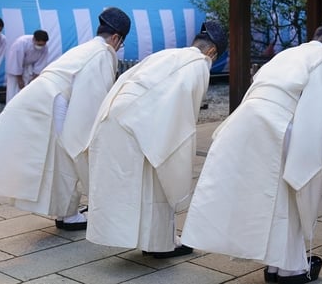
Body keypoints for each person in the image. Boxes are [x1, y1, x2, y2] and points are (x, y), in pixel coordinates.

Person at [181, 13, 322, 284]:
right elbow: (321, 114)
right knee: (291, 192)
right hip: (277, 124)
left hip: (245, 120)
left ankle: (277, 265)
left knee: (266, 197)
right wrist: (311, 157)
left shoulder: (288, 55)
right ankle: (290, 269)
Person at [0, 7, 131, 231]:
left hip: (43, 99)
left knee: (58, 160)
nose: (119, 48)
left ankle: (67, 212)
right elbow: (93, 96)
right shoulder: (103, 53)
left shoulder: (87, 47)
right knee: (70, 155)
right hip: (55, 102)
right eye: (121, 43)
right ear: (115, 37)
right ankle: (69, 214)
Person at [85, 20, 228, 258]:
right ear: (212, 52)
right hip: (138, 123)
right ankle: (161, 243)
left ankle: (153, 240)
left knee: (143, 185)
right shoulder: (200, 64)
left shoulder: (169, 54)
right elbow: (183, 115)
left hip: (115, 117)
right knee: (160, 180)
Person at [5, 29, 50, 103]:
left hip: (29, 69)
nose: (41, 46)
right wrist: (19, 79)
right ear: (34, 39)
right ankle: (11, 110)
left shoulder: (44, 47)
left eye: (43, 44)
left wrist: (33, 79)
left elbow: (41, 64)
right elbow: (16, 61)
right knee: (13, 91)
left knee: (27, 92)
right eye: (39, 44)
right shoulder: (21, 43)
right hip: (15, 70)